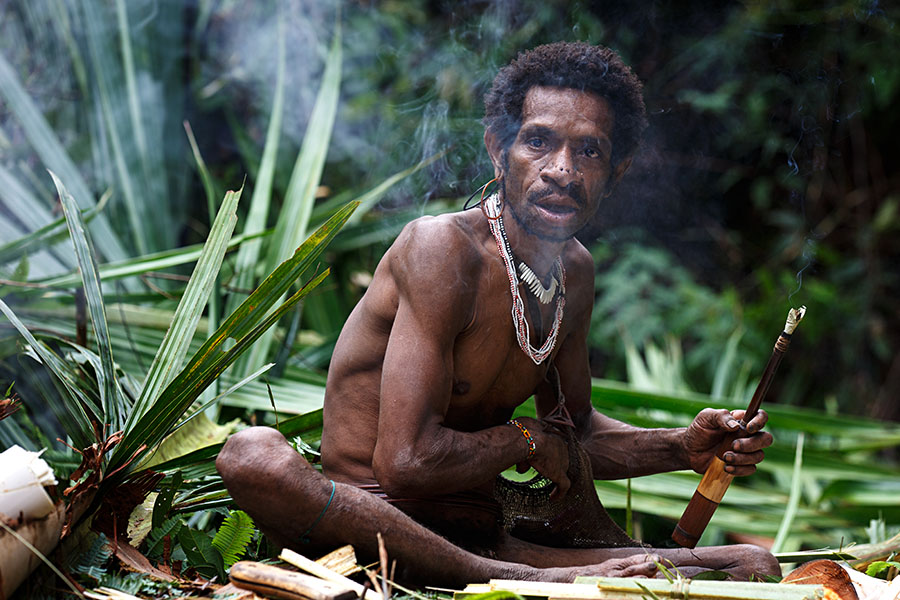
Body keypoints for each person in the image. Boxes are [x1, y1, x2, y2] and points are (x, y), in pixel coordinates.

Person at [217, 41, 779, 586]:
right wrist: (521, 440)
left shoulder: (574, 274)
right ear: (497, 150)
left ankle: (525, 571)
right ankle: (515, 578)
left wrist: (683, 446)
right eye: (538, 142)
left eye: (589, 151)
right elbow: (405, 463)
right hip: (376, 525)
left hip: (486, 534)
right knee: (253, 457)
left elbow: (574, 431)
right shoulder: (442, 251)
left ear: (617, 171)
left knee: (751, 566)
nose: (562, 169)